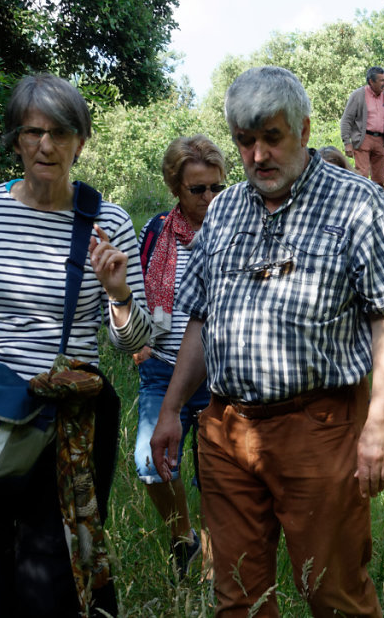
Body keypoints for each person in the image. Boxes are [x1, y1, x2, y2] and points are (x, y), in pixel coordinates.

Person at [150, 66, 384, 617]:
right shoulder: (223, 210)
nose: (257, 156)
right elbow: (201, 318)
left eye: (271, 137)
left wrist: (380, 424)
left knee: (333, 592)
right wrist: (172, 409)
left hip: (320, 430)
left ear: (302, 128)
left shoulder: (357, 204)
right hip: (226, 432)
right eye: (245, 142)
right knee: (237, 600)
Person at [0, 73, 162, 617]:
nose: (46, 146)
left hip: (60, 432)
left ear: (80, 140)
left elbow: (133, 341)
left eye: (60, 132)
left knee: (52, 588)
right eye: (32, 132)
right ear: (15, 139)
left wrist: (119, 293)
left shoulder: (107, 222)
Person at [132, 135, 228, 580]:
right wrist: (138, 342)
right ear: (176, 188)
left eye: (216, 188)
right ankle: (183, 538)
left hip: (220, 376)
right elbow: (132, 289)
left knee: (216, 477)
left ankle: (210, 562)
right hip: (162, 370)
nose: (209, 197)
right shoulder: (156, 231)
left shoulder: (235, 232)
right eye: (198, 190)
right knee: (151, 465)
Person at [340, 66, 384, 186]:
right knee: (362, 175)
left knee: (379, 180)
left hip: (381, 140)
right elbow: (347, 120)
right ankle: (360, 203)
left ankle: (376, 203)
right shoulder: (358, 95)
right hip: (363, 138)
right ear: (371, 81)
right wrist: (347, 142)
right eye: (381, 81)